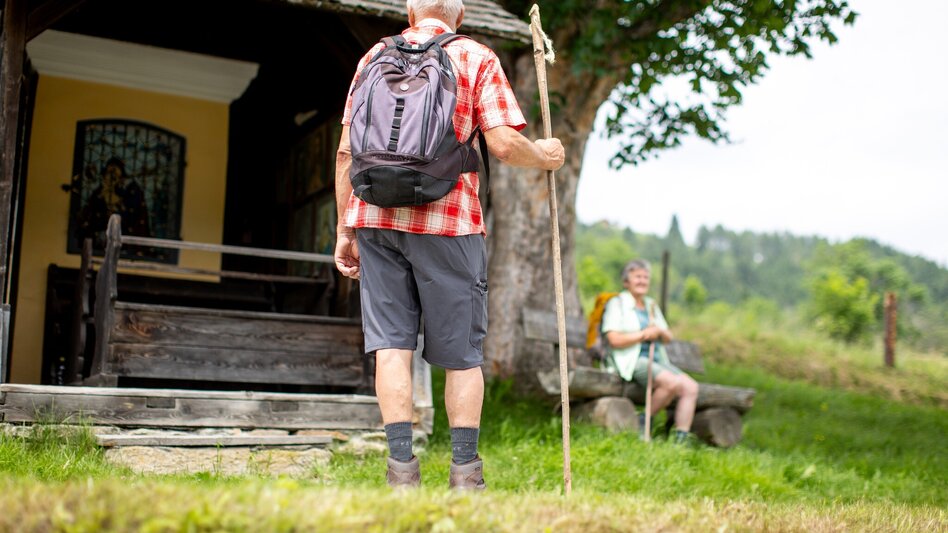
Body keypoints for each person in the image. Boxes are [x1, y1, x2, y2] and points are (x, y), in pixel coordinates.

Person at [333, 0, 565, 489]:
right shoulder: (474, 56)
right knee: (461, 354)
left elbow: (346, 152)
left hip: (375, 217)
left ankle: (401, 475)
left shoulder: (373, 56)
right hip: (449, 223)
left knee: (392, 346)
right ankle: (464, 477)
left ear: (411, 11)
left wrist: (344, 228)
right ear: (458, 14)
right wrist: (543, 156)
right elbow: (502, 144)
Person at [601, 260, 699, 443]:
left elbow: (668, 336)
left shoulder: (650, 305)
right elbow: (614, 340)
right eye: (637, 276)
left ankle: (681, 439)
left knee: (691, 387)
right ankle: (644, 420)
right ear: (626, 282)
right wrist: (644, 334)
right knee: (671, 382)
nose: (642, 281)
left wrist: (660, 331)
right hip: (629, 359)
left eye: (646, 277)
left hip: (656, 360)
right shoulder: (617, 304)